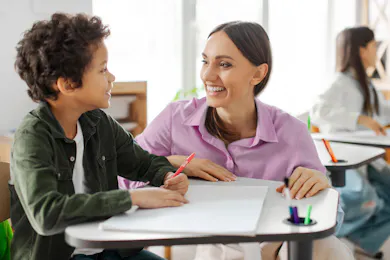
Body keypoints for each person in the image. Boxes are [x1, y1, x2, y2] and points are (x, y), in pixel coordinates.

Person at [119, 21, 353, 260]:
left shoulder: (290, 131)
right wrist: (169, 164)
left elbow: (333, 217)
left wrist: (320, 187)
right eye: (205, 61)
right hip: (196, 241)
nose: (208, 75)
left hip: (268, 246)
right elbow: (121, 182)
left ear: (258, 73)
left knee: (326, 248)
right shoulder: (174, 120)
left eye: (224, 64)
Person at [10, 13, 189, 260]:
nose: (112, 78)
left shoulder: (97, 121)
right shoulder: (33, 137)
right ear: (68, 85)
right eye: (103, 70)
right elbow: (46, 213)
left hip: (108, 251)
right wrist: (131, 198)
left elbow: (143, 163)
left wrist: (167, 175)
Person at [311, 26, 390, 258]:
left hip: (370, 157)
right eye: (374, 46)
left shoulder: (365, 84)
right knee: (369, 201)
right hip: (345, 159)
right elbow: (318, 111)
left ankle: (360, 241)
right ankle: (336, 234)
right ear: (362, 49)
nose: (377, 51)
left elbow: (382, 112)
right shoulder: (340, 83)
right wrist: (358, 118)